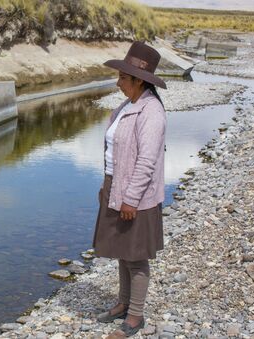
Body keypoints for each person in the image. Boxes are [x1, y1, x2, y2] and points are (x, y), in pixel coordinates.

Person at [92, 41, 167, 338]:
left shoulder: (151, 111)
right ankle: (123, 303)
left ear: (139, 80)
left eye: (123, 77)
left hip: (136, 195)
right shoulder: (129, 105)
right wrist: (107, 187)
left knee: (136, 256)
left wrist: (130, 199)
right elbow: (116, 152)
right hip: (116, 186)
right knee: (123, 251)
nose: (118, 81)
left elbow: (147, 161)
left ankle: (135, 315)